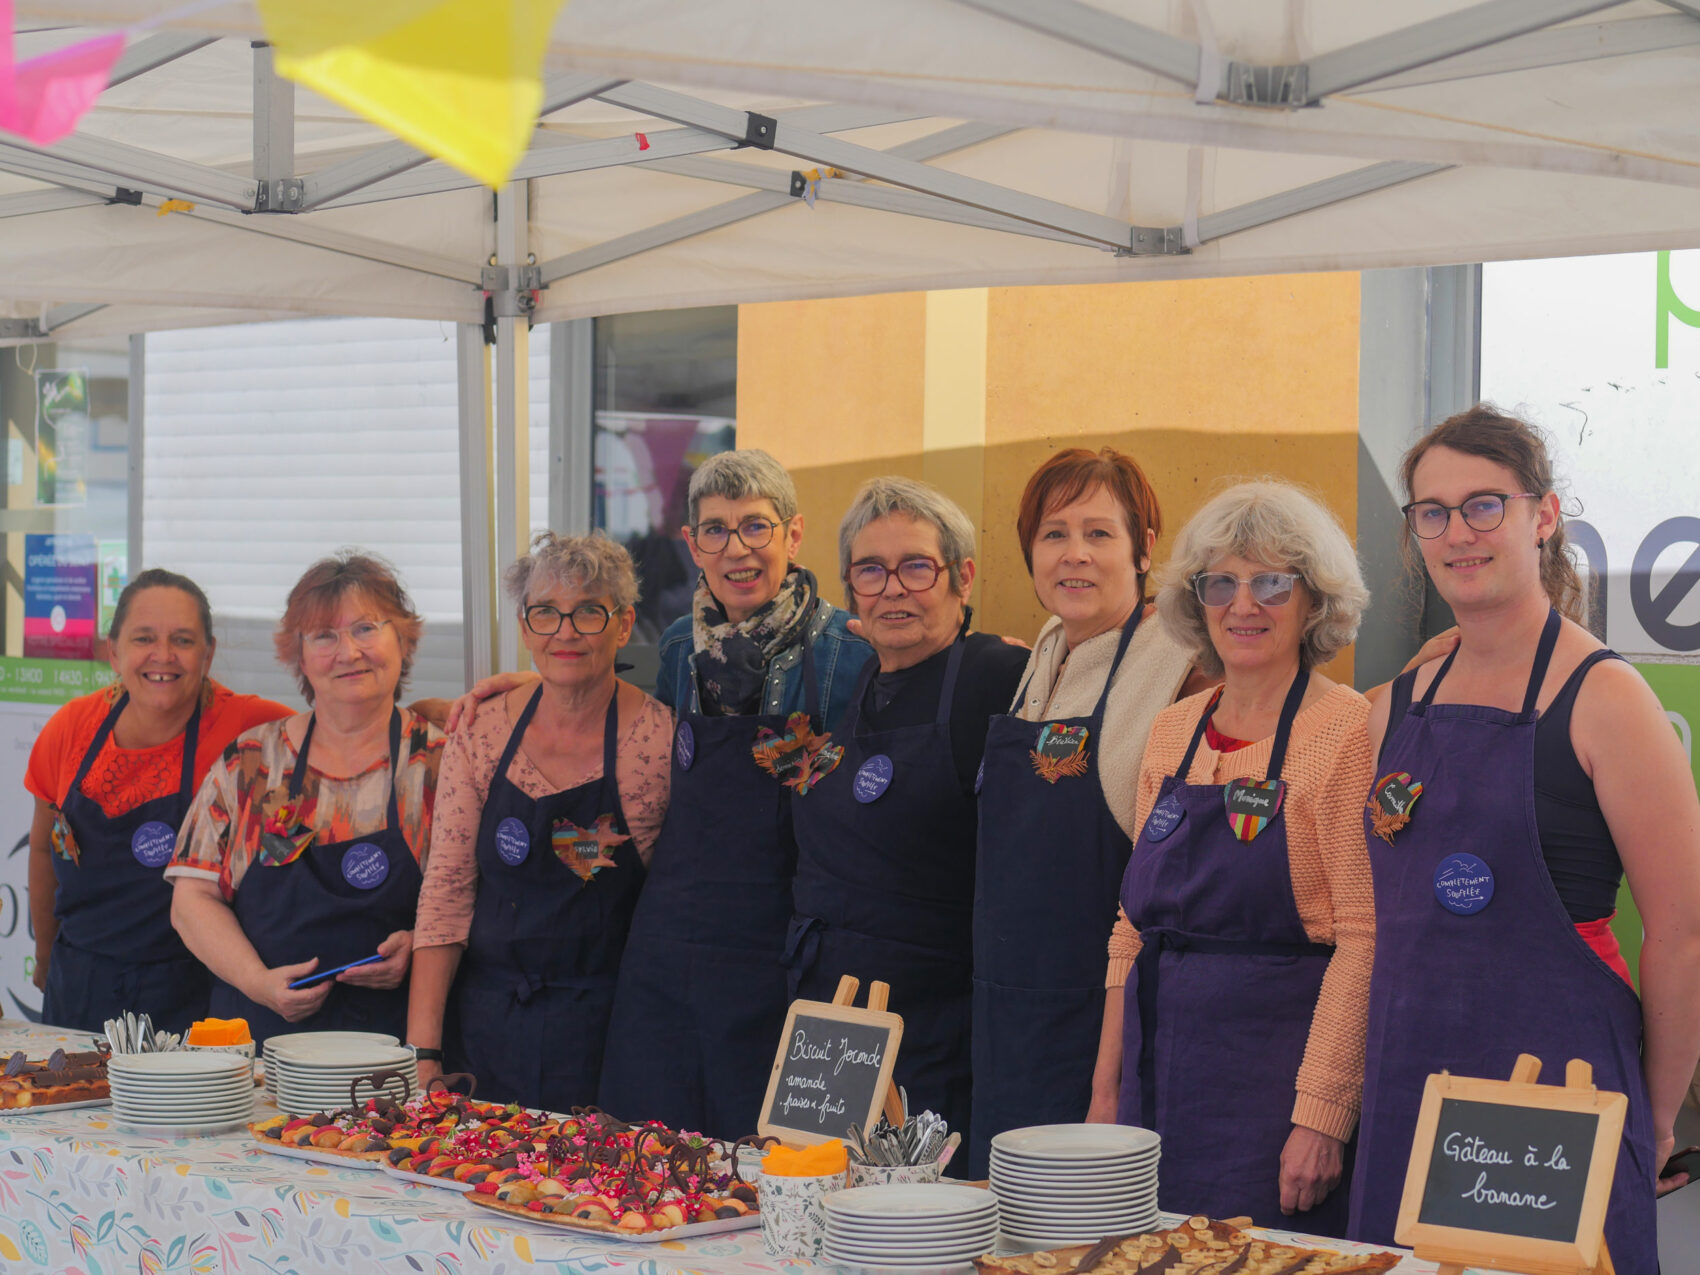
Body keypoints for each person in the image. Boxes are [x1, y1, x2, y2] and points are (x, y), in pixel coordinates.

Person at [1347, 407, 1700, 1272]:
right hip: (1407, 1091)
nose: (1457, 532)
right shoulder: (1396, 700)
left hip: (1555, 1107)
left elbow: (1683, 935)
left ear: (1543, 518)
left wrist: (1651, 1118)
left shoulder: (1605, 697)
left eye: (1484, 505)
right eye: (1432, 511)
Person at [1090, 480, 1375, 1236]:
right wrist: (1105, 1092)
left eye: (1272, 581)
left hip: (1276, 1088)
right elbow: (1130, 928)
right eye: (1222, 581)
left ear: (1314, 600)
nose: (1243, 604)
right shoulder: (1172, 730)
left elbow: (1364, 938)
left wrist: (1321, 1117)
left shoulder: (1348, 732)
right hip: (1160, 1079)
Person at [599, 449, 871, 1137]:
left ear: (793, 534)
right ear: (692, 545)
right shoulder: (677, 653)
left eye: (755, 526)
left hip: (791, 951)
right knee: (652, 1159)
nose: (737, 550)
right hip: (679, 949)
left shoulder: (852, 649)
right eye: (716, 530)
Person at [969, 449, 1204, 1177]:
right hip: (1004, 1016)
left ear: (1144, 547)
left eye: (1099, 534)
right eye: (1053, 533)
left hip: (1101, 1024)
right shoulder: (1045, 646)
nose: (1075, 555)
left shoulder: (1186, 662)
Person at [784, 477, 1028, 1147]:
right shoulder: (857, 682)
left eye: (917, 566)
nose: (893, 587)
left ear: (963, 578)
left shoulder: (999, 674)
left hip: (933, 1021)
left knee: (910, 1231)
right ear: (850, 588)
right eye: (871, 569)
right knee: (821, 1207)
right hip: (830, 1023)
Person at [406, 534, 671, 1110]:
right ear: (525, 628)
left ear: (624, 625)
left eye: (588, 612)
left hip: (613, 1034)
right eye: (546, 612)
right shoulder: (480, 733)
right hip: (485, 1028)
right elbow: (447, 891)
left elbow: (671, 908)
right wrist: (423, 1055)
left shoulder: (659, 742)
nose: (566, 631)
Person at [168, 553, 445, 1046]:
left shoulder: (441, 763)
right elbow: (192, 900)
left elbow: (476, 903)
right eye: (324, 636)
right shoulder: (251, 762)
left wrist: (420, 948)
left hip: (392, 1056)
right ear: (297, 655)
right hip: (255, 1049)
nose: (348, 652)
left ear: (403, 638)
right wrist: (257, 981)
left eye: (365, 628)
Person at [23, 570, 293, 1034]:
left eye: (183, 640)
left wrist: (426, 714)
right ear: (114, 652)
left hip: (192, 993)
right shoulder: (70, 729)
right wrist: (45, 955)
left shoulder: (248, 726)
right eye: (144, 638)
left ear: (207, 654)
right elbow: (45, 848)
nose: (162, 656)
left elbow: (338, 727)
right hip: (79, 984)